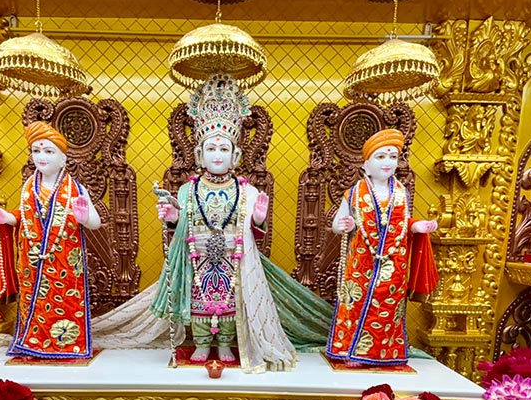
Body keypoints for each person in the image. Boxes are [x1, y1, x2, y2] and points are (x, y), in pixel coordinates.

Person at [149, 74, 298, 371]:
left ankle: (227, 343)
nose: (217, 155)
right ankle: (202, 344)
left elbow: (254, 231)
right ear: (199, 154)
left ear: (236, 155)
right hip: (198, 258)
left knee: (230, 303)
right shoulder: (188, 189)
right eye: (211, 149)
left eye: (224, 149)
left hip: (234, 258)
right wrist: (174, 218)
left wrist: (258, 217)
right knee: (200, 302)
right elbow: (183, 222)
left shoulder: (246, 190)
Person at [0, 121, 101, 360]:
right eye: (36, 151)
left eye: (48, 151)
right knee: (33, 302)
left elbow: (95, 223)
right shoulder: (29, 188)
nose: (41, 157)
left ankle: (67, 346)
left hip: (64, 261)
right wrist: (7, 218)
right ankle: (32, 343)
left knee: (66, 303)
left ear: (63, 158)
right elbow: (25, 217)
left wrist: (83, 217)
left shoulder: (76, 189)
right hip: (33, 261)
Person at [327, 128, 439, 366]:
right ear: (366, 165)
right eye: (380, 157)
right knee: (356, 305)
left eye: (393, 157)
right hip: (362, 262)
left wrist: (418, 226)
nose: (387, 162)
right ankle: (351, 351)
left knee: (389, 307)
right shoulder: (354, 193)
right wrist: (343, 225)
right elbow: (337, 224)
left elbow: (401, 223)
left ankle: (385, 353)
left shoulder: (401, 192)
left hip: (394, 263)